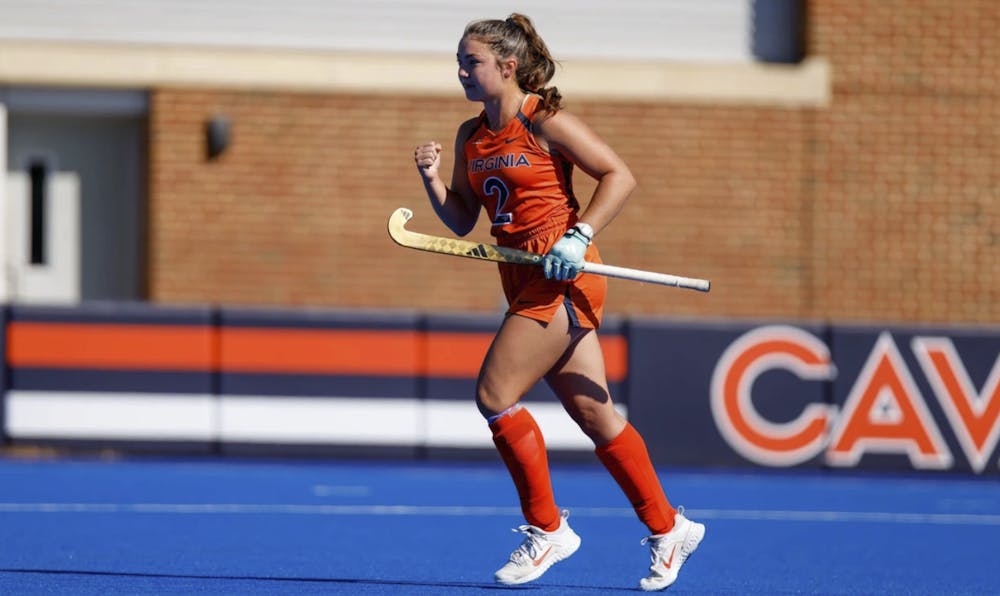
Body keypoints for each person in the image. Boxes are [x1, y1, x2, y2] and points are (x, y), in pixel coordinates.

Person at [413, 13, 704, 591]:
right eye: (459, 63)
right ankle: (669, 528)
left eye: (472, 62)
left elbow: (618, 176)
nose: (463, 72)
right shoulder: (473, 134)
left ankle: (547, 529)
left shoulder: (545, 122)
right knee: (595, 415)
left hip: (565, 275)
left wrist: (580, 235)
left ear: (507, 66)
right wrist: (431, 177)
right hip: (520, 276)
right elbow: (462, 219)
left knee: (494, 394)